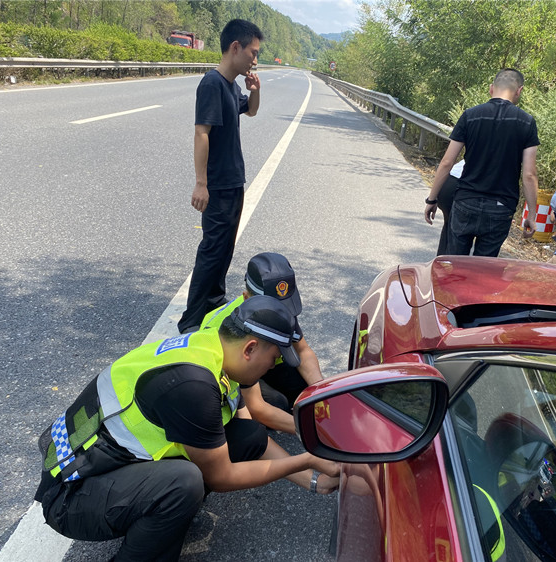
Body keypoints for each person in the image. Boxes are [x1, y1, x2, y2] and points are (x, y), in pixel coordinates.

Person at [34, 295, 339, 561]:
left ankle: (162, 518)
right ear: (250, 349)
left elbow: (250, 433)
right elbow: (221, 478)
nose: (272, 369)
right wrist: (309, 458)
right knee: (183, 483)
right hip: (70, 494)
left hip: (101, 466)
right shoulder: (194, 385)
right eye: (272, 360)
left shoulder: (210, 346)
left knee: (246, 435)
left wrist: (313, 481)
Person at [178, 19, 264, 334]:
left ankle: (214, 305)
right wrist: (201, 183)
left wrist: (255, 91)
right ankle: (190, 321)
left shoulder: (231, 85)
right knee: (212, 249)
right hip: (217, 184)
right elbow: (202, 132)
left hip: (233, 182)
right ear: (235, 47)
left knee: (224, 248)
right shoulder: (212, 84)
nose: (255, 59)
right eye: (252, 52)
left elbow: (251, 111)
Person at [198, 252, 323, 435]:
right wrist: (317, 433)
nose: (284, 313)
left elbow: (303, 352)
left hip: (260, 359)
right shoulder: (229, 327)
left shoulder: (279, 308)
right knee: (276, 404)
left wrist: (322, 392)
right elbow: (257, 407)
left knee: (307, 390)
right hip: (234, 373)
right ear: (247, 298)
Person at [424, 68, 540, 257]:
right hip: (501, 208)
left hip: (465, 202)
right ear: (519, 91)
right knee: (483, 272)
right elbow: (529, 174)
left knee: (455, 264)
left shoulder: (471, 115)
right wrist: (532, 215)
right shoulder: (527, 122)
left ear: (491, 88)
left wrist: (432, 199)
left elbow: (447, 162)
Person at [436, 161, 464, 255]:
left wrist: (432, 198)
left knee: (449, 228)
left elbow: (446, 163)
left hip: (449, 181)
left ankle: (440, 265)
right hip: (464, 186)